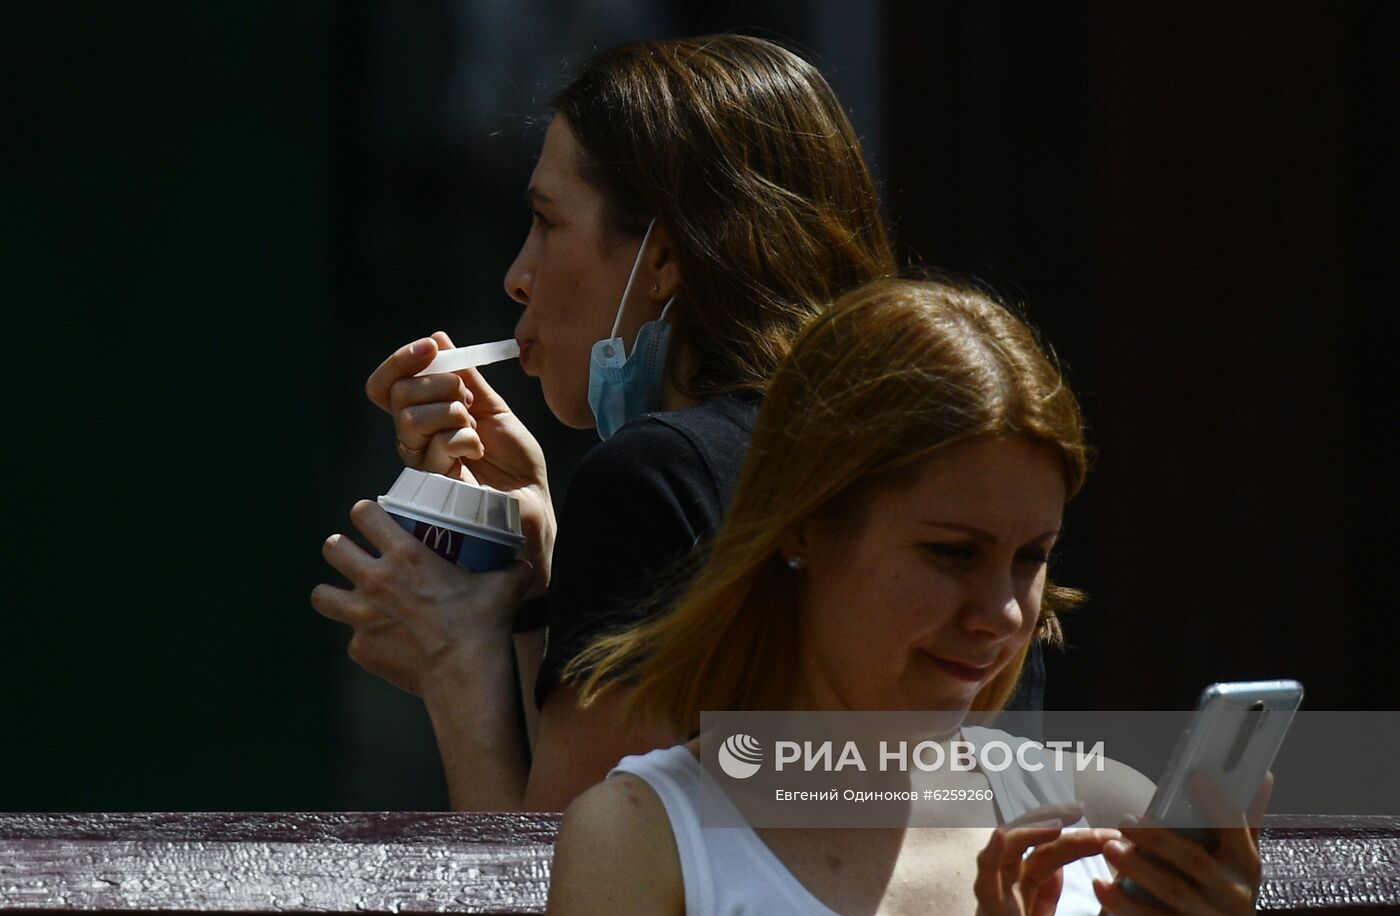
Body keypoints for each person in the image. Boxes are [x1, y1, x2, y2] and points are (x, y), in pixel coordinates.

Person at [310, 35, 1043, 812]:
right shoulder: (955, 476)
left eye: (547, 221)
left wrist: (456, 664)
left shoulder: (655, 478)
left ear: (662, 260)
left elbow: (561, 888)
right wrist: (541, 575)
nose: (518, 275)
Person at [543, 278, 1269, 916]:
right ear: (804, 521)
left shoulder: (1106, 816)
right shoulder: (641, 839)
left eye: (1031, 558)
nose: (1004, 614)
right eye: (953, 552)